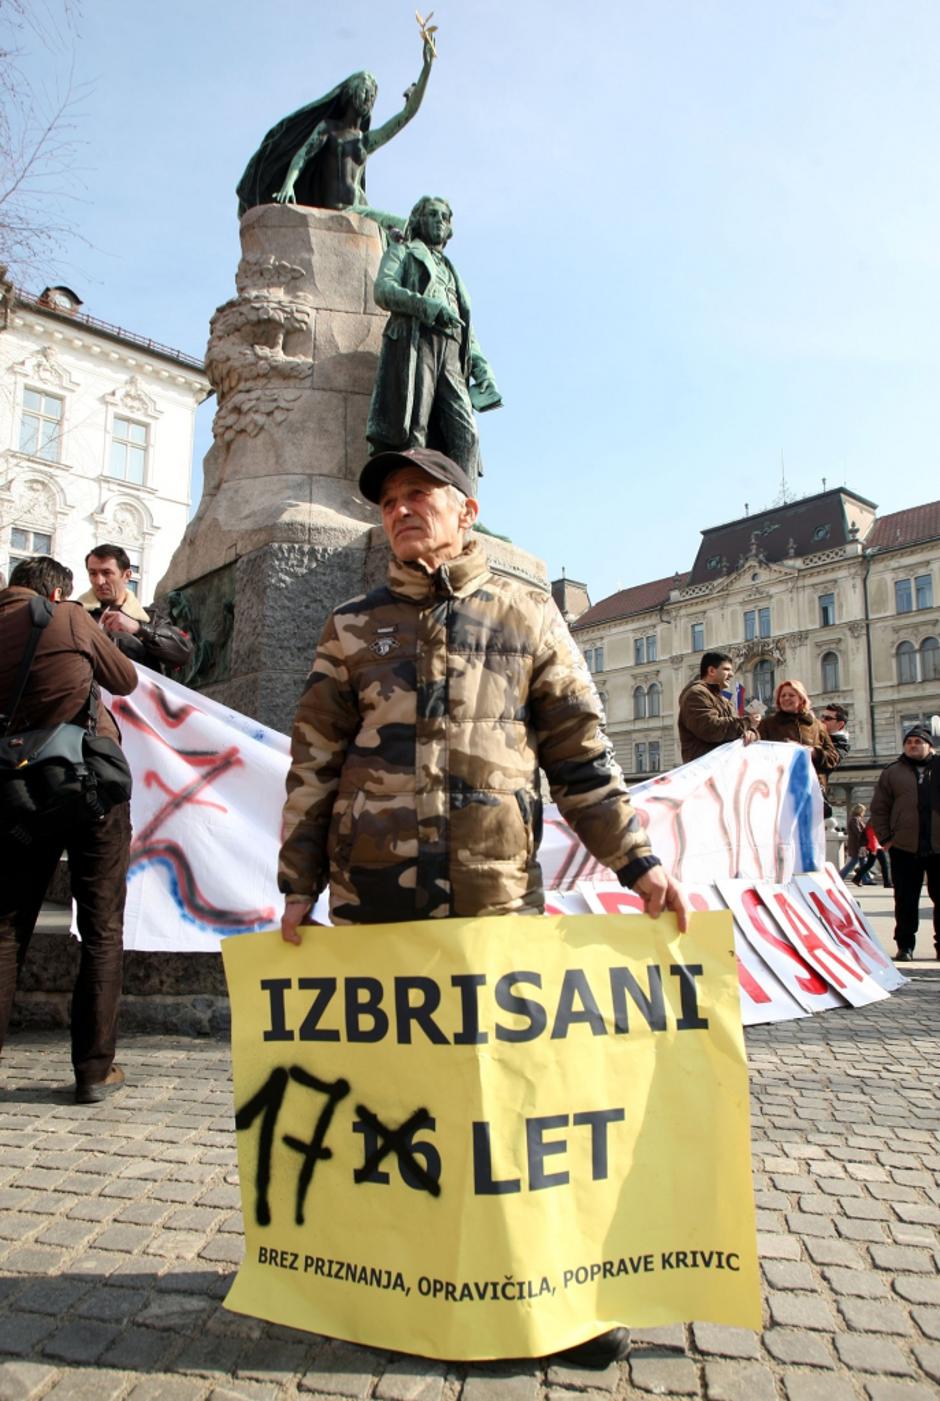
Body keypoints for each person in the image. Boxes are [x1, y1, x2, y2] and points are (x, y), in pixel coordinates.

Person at [278, 445, 690, 1368]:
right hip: (375, 906)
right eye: (388, 500)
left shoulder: (526, 612)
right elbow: (311, 760)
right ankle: (392, 1283)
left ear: (465, 510)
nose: (400, 510)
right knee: (393, 1107)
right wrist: (297, 882)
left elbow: (582, 753)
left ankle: (554, 1296)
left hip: (493, 899)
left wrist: (639, 861)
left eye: (418, 495)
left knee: (512, 1106)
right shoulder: (351, 626)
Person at [0, 556, 138, 1102]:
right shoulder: (66, 618)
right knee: (102, 930)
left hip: (12, 795)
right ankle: (93, 1069)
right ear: (55, 593)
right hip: (83, 789)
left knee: (6, 930)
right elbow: (123, 679)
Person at [366, 197, 501, 493]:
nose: (439, 221)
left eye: (444, 217)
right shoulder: (402, 250)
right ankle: (416, 498)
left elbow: (468, 329)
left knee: (467, 435)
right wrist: (426, 306)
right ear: (418, 219)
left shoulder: (452, 270)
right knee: (415, 430)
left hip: (452, 353)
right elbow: (383, 289)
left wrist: (482, 370)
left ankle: (464, 509)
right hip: (416, 343)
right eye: (432, 215)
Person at [236, 33, 435, 216]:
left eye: (373, 95)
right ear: (350, 92)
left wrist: (426, 68)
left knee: (405, 229)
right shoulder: (329, 129)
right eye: (365, 90)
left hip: (360, 210)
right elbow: (302, 156)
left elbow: (408, 114)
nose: (370, 97)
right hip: (335, 209)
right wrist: (288, 185)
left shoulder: (365, 141)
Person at [870, 724, 940, 961]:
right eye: (908, 742)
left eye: (918, 742)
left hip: (938, 847)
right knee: (905, 900)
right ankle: (905, 946)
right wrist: (887, 839)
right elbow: (879, 809)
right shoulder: (892, 772)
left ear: (929, 745)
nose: (912, 745)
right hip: (904, 847)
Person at [80, 544, 193, 676]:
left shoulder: (149, 618)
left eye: (107, 573)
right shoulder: (74, 616)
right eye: (93, 573)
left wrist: (140, 629)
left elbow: (183, 654)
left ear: (127, 575)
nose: (99, 581)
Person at [676, 652, 759, 764]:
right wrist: (747, 722)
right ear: (711, 671)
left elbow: (733, 730)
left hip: (722, 768)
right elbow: (710, 728)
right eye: (726, 669)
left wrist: (751, 733)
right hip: (704, 770)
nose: (732, 674)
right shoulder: (696, 694)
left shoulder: (724, 700)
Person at [758, 680, 840, 789]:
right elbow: (758, 756)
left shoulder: (816, 725)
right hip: (781, 789)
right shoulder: (767, 724)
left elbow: (833, 757)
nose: (786, 698)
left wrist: (814, 752)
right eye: (783, 696)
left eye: (791, 695)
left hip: (812, 788)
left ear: (801, 699)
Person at [819, 703, 850, 817]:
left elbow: (828, 761)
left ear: (840, 725)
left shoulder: (841, 744)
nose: (822, 721)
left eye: (827, 718)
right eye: (822, 717)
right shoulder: (818, 733)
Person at [853, 820, 891, 889]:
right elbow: (872, 837)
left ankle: (857, 878)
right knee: (884, 865)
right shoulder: (872, 825)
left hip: (875, 847)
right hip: (875, 847)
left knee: (869, 864)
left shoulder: (871, 824)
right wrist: (874, 849)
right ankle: (887, 883)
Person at [839, 804, 870, 883]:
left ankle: (865, 879)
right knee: (854, 861)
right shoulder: (854, 820)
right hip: (857, 844)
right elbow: (858, 832)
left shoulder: (857, 819)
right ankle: (840, 876)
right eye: (863, 811)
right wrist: (867, 835)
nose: (864, 813)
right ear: (860, 811)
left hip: (859, 844)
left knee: (863, 862)